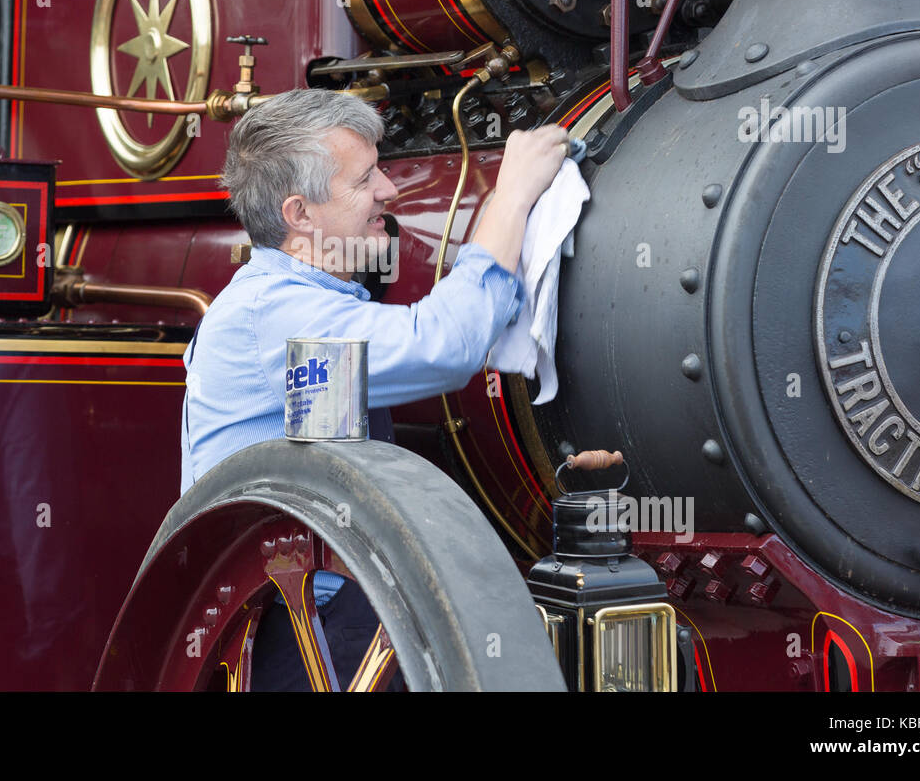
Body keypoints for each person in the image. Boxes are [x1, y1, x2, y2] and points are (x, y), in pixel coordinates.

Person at [180, 87, 619, 690]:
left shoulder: (289, 304)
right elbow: (442, 347)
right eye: (364, 180)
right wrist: (511, 195)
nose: (390, 191)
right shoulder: (275, 316)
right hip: (301, 629)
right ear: (299, 215)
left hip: (321, 606)